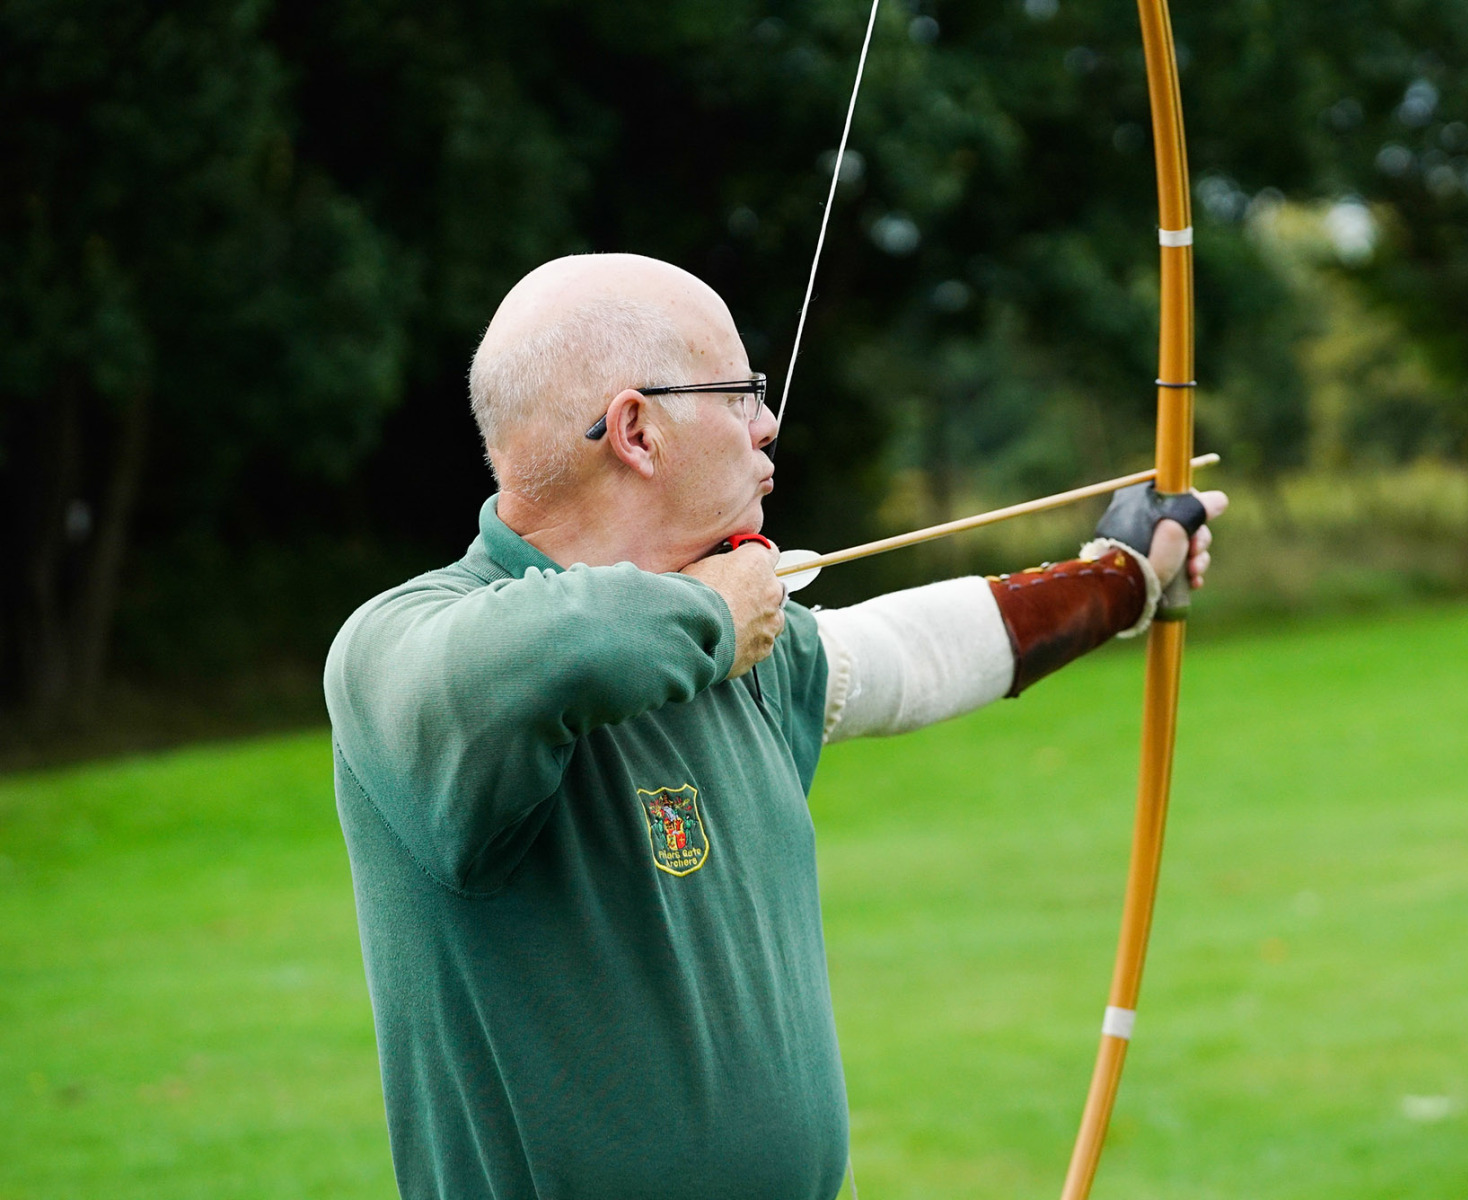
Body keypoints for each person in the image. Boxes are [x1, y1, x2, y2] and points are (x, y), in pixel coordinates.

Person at [324, 253, 1228, 1200]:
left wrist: (1123, 575)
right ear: (636, 430)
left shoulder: (734, 643)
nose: (767, 423)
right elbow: (535, 658)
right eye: (738, 394)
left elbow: (902, 655)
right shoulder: (402, 648)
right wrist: (715, 611)